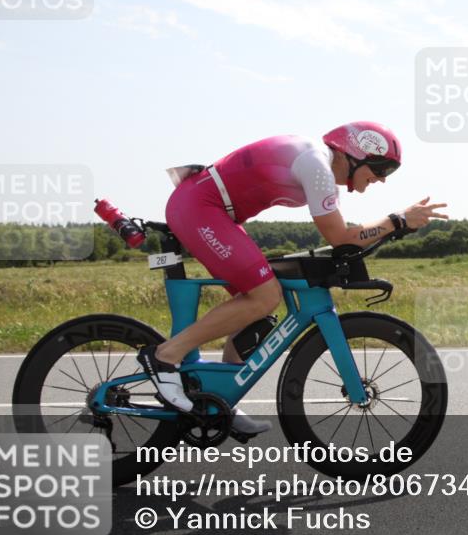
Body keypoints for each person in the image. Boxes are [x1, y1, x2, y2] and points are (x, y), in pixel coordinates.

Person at [136, 121, 448, 435]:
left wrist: (397, 224)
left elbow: (345, 236)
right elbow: (341, 236)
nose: (381, 179)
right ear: (354, 154)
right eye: (381, 168)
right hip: (201, 208)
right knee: (265, 295)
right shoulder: (316, 167)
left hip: (211, 210)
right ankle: (165, 356)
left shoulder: (318, 164)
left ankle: (221, 398)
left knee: (257, 306)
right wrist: (397, 220)